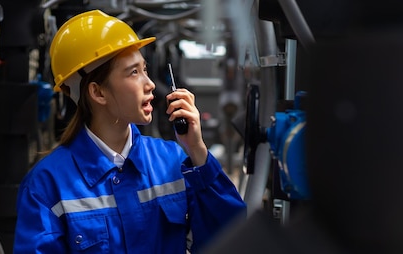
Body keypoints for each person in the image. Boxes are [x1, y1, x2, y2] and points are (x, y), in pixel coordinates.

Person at [13, 10, 247, 253]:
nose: (150, 84)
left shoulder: (172, 161)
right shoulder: (47, 184)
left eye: (144, 69)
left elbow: (232, 237)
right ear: (98, 93)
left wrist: (198, 152)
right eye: (134, 72)